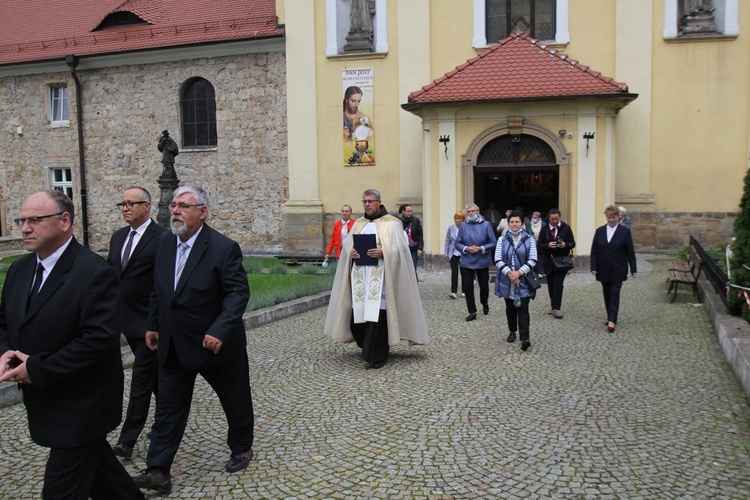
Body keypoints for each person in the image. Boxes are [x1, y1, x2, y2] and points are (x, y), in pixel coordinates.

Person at [0, 190, 144, 499]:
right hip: (45, 400)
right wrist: (5, 355)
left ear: (65, 221)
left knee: (60, 491)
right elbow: (5, 322)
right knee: (106, 479)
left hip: (83, 404)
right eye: (22, 220)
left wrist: (35, 368)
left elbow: (98, 340)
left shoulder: (94, 273)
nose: (25, 228)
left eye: (34, 220)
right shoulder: (18, 271)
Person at [133, 186, 253, 494]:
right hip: (173, 345)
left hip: (215, 345)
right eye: (173, 205)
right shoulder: (164, 244)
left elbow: (238, 293)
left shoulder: (223, 248)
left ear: (202, 212)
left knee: (234, 398)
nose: (175, 211)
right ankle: (158, 470)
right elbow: (158, 290)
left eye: (183, 206)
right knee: (169, 408)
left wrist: (219, 329)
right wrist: (153, 324)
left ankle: (241, 447)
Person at [324, 189, 429, 369]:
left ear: (379, 202)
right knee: (360, 315)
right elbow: (348, 247)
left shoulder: (392, 224)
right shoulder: (358, 224)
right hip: (361, 278)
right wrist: (352, 253)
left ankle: (378, 354)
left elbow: (401, 250)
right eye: (364, 201)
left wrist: (384, 252)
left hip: (382, 280)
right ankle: (367, 346)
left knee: (378, 315)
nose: (367, 204)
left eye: (371, 201)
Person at [108, 186, 169, 459]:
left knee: (141, 381)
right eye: (122, 203)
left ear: (147, 206)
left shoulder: (162, 238)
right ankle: (168, 419)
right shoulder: (118, 237)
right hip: (123, 321)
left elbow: (162, 283)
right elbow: (112, 278)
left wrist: (155, 324)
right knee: (155, 382)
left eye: (132, 203)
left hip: (149, 325)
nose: (126, 207)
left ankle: (127, 441)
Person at [494, 211, 537, 351]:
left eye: (517, 222)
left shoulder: (530, 239)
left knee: (523, 308)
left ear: (522, 223)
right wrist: (510, 274)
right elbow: (498, 259)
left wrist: (519, 273)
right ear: (508, 223)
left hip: (524, 279)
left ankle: (525, 338)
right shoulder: (502, 239)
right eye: (512, 222)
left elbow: (533, 259)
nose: (514, 224)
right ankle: (512, 331)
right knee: (510, 307)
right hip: (507, 281)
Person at [591, 205, 638, 333]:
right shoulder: (600, 231)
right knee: (606, 293)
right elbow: (594, 251)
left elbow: (630, 252)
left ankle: (612, 320)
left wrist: (633, 269)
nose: (611, 220)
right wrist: (593, 267)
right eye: (609, 217)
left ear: (619, 217)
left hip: (618, 268)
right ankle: (610, 316)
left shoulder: (624, 232)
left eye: (613, 217)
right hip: (603, 267)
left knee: (614, 293)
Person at [455, 203, 497, 321]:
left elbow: (493, 242)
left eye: (473, 211)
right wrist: (467, 248)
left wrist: (481, 248)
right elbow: (458, 243)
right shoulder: (463, 225)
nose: (471, 213)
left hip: (482, 260)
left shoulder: (486, 225)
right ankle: (472, 311)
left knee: (483, 286)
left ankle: (484, 302)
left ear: (478, 212)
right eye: (469, 212)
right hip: (467, 260)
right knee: (467, 287)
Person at [537, 208, 576, 319]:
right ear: (549, 218)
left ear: (559, 218)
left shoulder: (566, 228)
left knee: (558, 284)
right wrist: (548, 245)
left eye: (556, 219)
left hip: (562, 261)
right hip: (549, 260)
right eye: (552, 219)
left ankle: (557, 308)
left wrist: (565, 245)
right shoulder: (544, 229)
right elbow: (539, 245)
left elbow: (572, 243)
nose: (554, 221)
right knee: (551, 284)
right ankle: (553, 305)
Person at [444, 211, 466, 299]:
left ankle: (465, 291)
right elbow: (447, 240)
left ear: (463, 220)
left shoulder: (465, 228)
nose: (458, 220)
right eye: (457, 218)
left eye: (460, 218)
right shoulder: (451, 228)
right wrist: (446, 252)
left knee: (464, 272)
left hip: (463, 253)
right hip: (453, 253)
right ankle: (453, 292)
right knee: (454, 272)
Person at [398, 204, 423, 280]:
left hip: (413, 248)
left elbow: (420, 235)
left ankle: (415, 286)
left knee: (413, 268)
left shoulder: (415, 220)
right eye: (408, 211)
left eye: (411, 211)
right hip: (403, 248)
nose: (410, 213)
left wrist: (420, 248)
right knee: (403, 269)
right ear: (403, 212)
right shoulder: (399, 221)